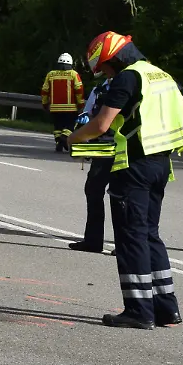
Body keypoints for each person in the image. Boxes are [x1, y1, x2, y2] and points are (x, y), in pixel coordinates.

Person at [69, 31, 183, 329]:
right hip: (161, 163)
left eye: (105, 67)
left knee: (131, 238)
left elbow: (101, 124)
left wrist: (72, 139)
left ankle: (139, 310)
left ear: (114, 58)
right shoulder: (160, 74)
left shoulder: (128, 78)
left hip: (134, 167)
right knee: (150, 234)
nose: (106, 73)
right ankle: (166, 308)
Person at [69, 77, 117, 253]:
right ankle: (92, 241)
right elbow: (87, 113)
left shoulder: (128, 85)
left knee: (121, 197)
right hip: (102, 145)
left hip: (122, 145)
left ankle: (125, 244)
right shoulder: (100, 88)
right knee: (93, 190)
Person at [41, 53, 85, 153]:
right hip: (70, 108)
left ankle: (58, 143)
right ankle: (64, 138)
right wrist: (81, 104)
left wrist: (45, 104)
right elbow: (79, 90)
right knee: (70, 125)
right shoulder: (74, 74)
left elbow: (44, 90)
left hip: (55, 108)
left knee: (57, 126)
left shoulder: (51, 74)